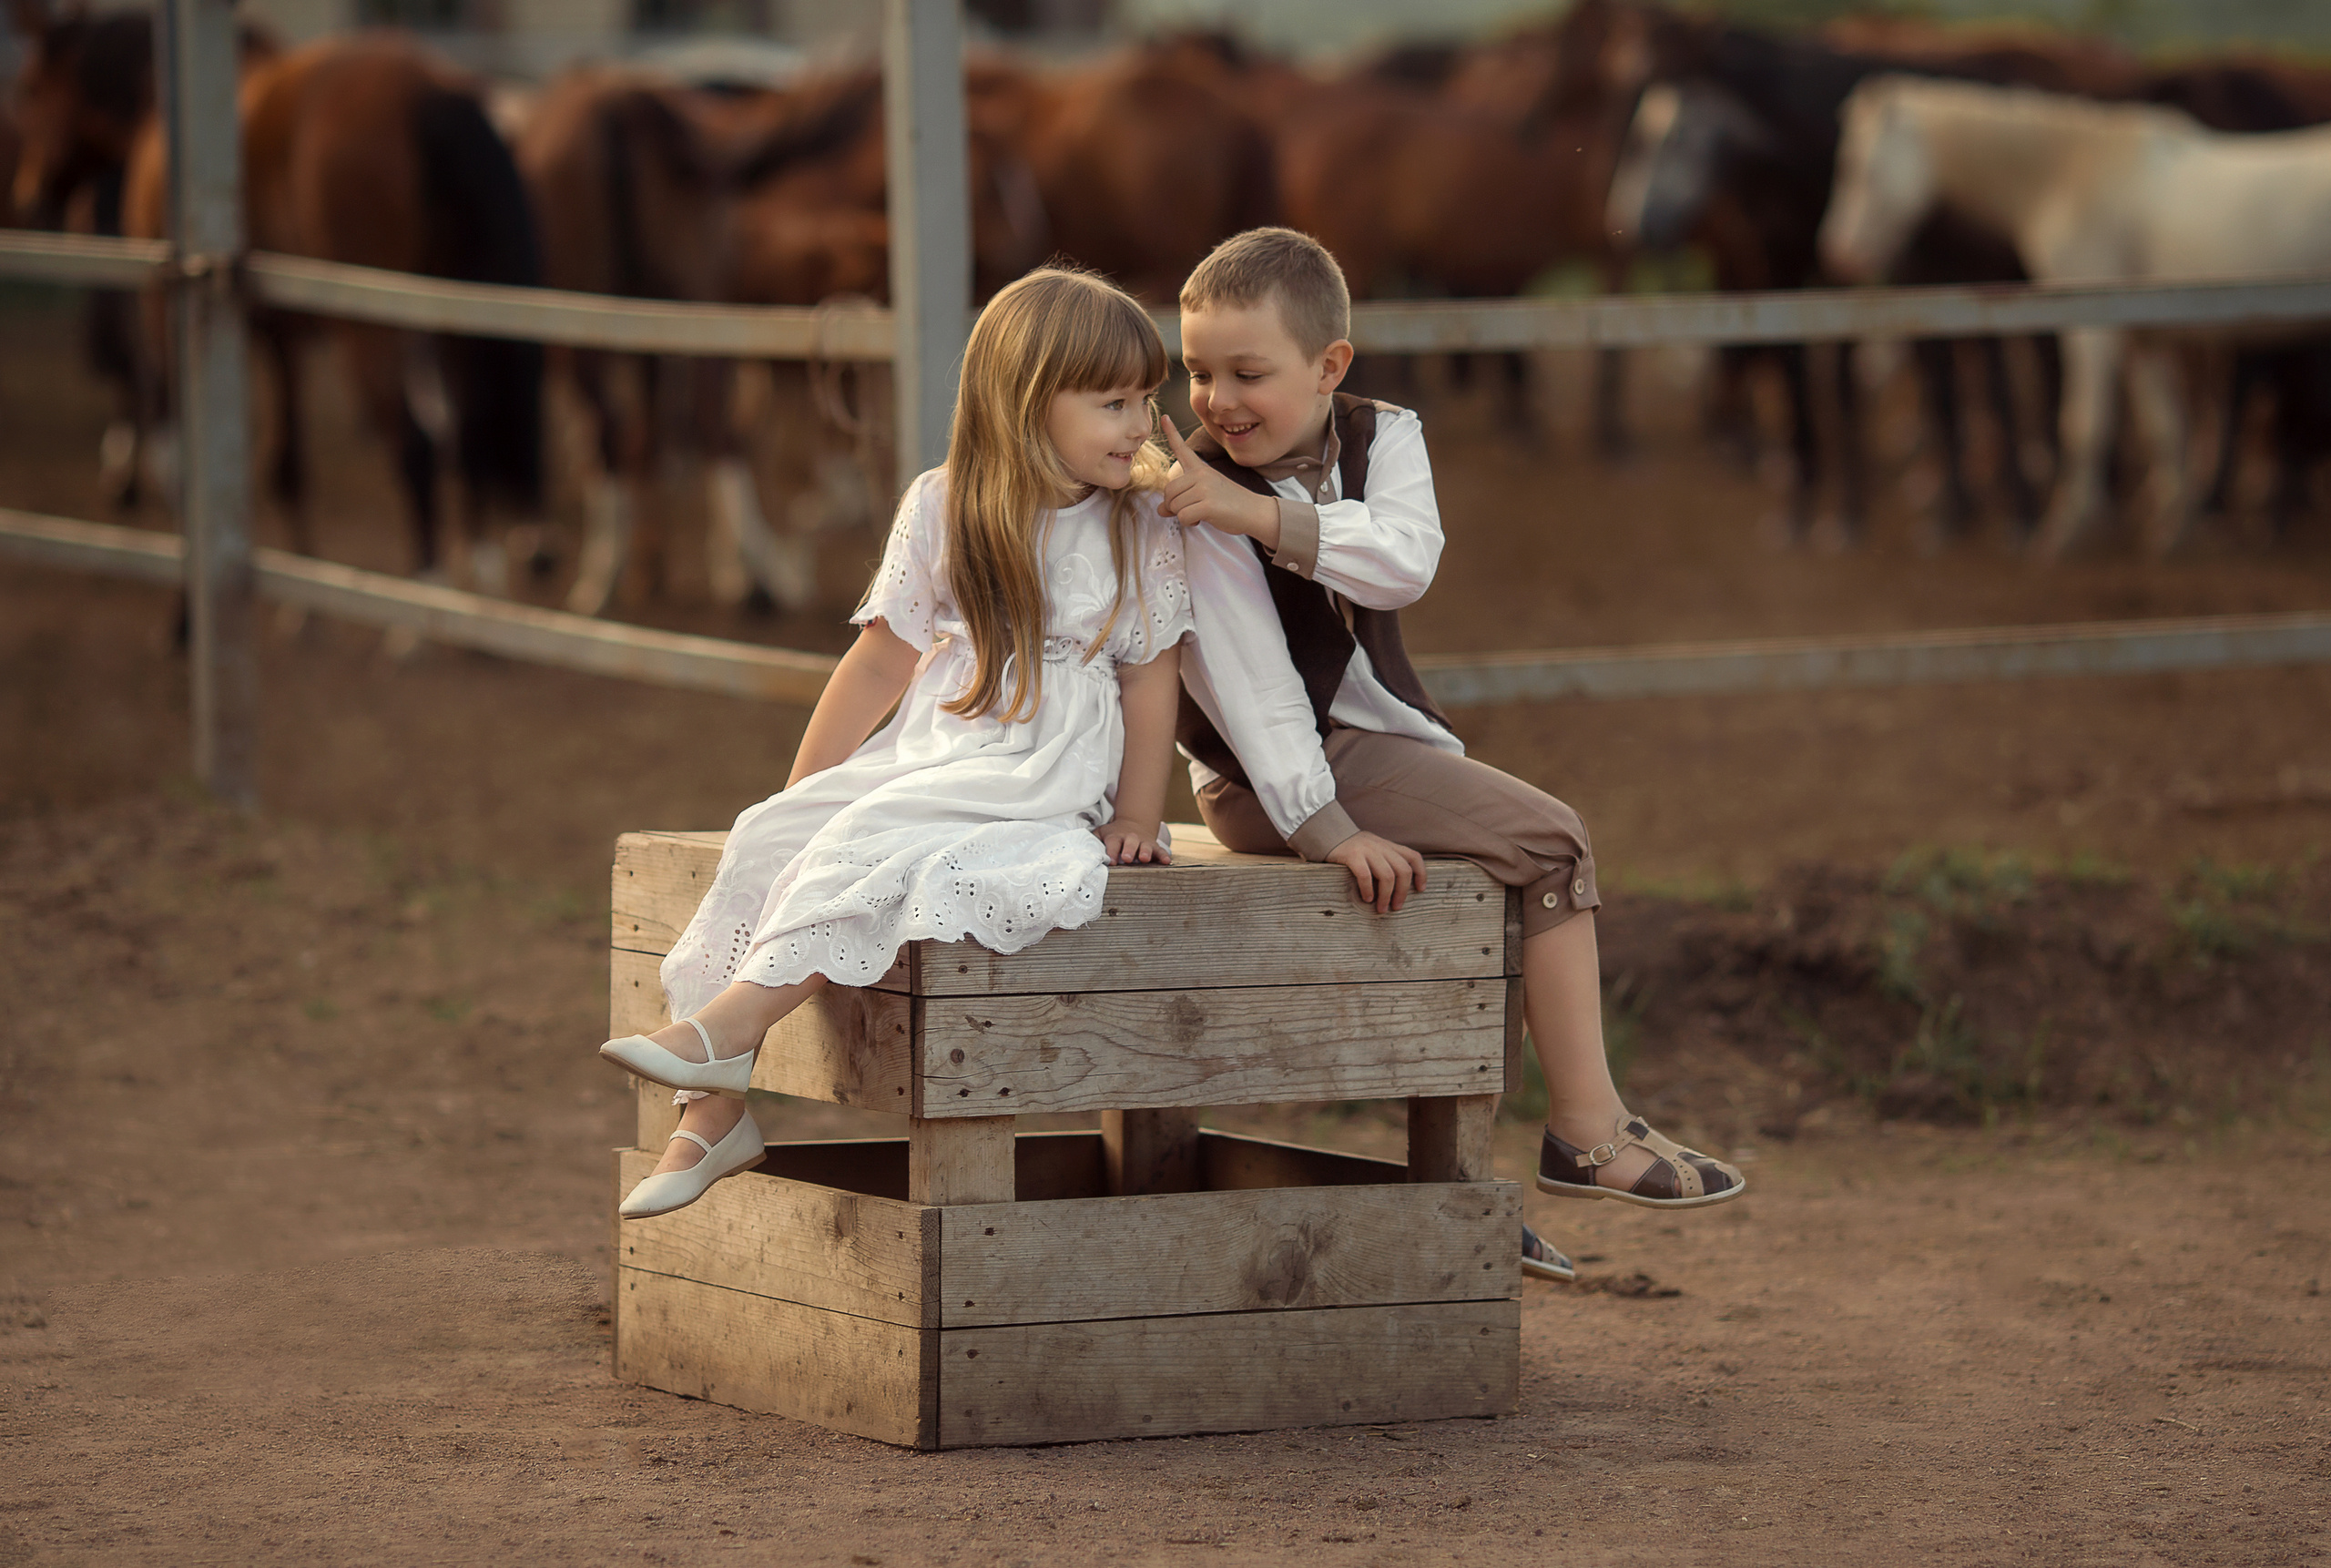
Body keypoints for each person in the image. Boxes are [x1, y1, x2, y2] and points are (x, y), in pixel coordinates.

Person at [1158, 229, 1744, 1280]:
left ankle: (1468, 1190)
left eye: (1248, 373)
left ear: (1330, 367)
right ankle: (1587, 1132)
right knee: (1551, 841)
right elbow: (1250, 696)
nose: (1216, 400)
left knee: (1492, 884)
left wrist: (1263, 515)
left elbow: (1403, 563)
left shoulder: (1382, 438)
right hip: (1271, 778)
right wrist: (1324, 826)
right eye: (1198, 372)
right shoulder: (1195, 499)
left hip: (1355, 749)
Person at [602, 267, 1194, 1220]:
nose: (1139, 423)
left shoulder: (1138, 526)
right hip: (936, 746)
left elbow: (1150, 675)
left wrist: (1137, 810)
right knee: (773, 841)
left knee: (880, 840)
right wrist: (802, 795)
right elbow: (879, 665)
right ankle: (710, 1119)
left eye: (1146, 398)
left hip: (1039, 765)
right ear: (1027, 401)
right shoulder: (943, 502)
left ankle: (727, 1025)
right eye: (1113, 400)